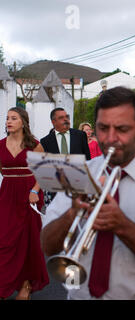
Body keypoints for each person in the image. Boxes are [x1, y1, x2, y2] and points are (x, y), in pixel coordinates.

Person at [41, 86, 135, 300]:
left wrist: (121, 225)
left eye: (122, 129)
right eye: (103, 128)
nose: (110, 138)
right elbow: (47, 245)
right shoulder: (79, 172)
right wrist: (72, 213)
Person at [0, 107, 49, 300]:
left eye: (13, 118)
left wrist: (34, 190)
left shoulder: (35, 145)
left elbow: (45, 172)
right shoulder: (0, 144)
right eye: (7, 119)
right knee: (5, 240)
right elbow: (3, 171)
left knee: (28, 241)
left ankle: (26, 285)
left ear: (23, 122)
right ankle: (4, 283)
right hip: (7, 195)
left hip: (30, 195)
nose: (8, 122)